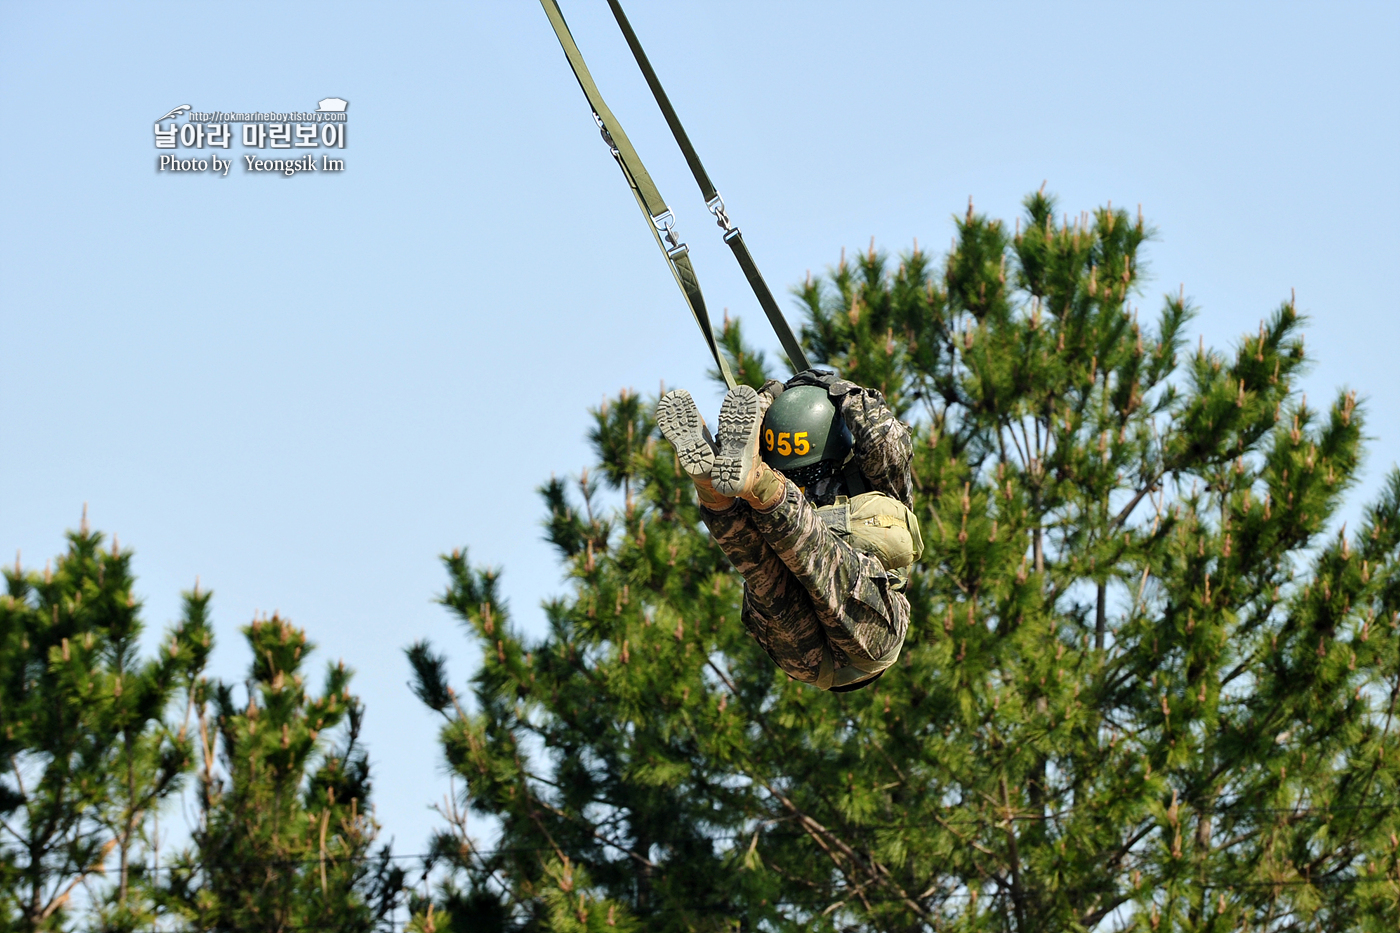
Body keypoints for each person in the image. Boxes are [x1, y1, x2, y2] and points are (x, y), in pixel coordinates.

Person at [656, 371, 921, 692]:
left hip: (832, 645)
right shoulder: (874, 481)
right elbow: (883, 438)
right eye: (795, 476)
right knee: (770, 557)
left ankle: (715, 493)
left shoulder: (868, 482)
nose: (807, 482)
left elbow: (884, 443)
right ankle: (733, 487)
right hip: (831, 647)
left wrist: (776, 397)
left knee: (778, 558)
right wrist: (842, 394)